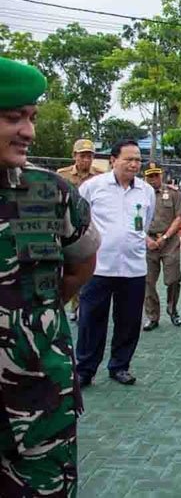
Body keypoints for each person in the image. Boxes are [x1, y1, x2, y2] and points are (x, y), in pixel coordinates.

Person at [0, 57, 100, 498]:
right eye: (12, 117)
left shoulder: (46, 191)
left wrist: (28, 320)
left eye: (32, 118)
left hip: (37, 400)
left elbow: (81, 264)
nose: (29, 132)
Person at [76, 139, 155, 388]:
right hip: (98, 267)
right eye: (128, 159)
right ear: (113, 160)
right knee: (91, 320)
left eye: (138, 160)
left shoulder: (146, 191)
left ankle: (120, 366)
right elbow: (79, 219)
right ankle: (85, 369)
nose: (134, 164)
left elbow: (146, 222)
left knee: (129, 322)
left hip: (133, 268)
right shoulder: (93, 187)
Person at [57, 138, 103, 322]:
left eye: (90, 156)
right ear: (74, 156)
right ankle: (70, 304)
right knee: (68, 268)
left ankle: (82, 306)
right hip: (68, 228)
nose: (86, 160)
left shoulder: (99, 176)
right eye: (83, 155)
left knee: (86, 266)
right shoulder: (62, 175)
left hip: (90, 227)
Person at [142, 162, 181, 331]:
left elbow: (179, 217)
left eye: (156, 175)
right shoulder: (140, 195)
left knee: (173, 278)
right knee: (148, 282)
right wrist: (147, 240)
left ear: (162, 175)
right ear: (145, 177)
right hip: (148, 241)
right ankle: (152, 316)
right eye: (150, 176)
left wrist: (165, 237)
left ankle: (172, 309)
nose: (153, 179)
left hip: (170, 242)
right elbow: (134, 219)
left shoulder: (173, 193)